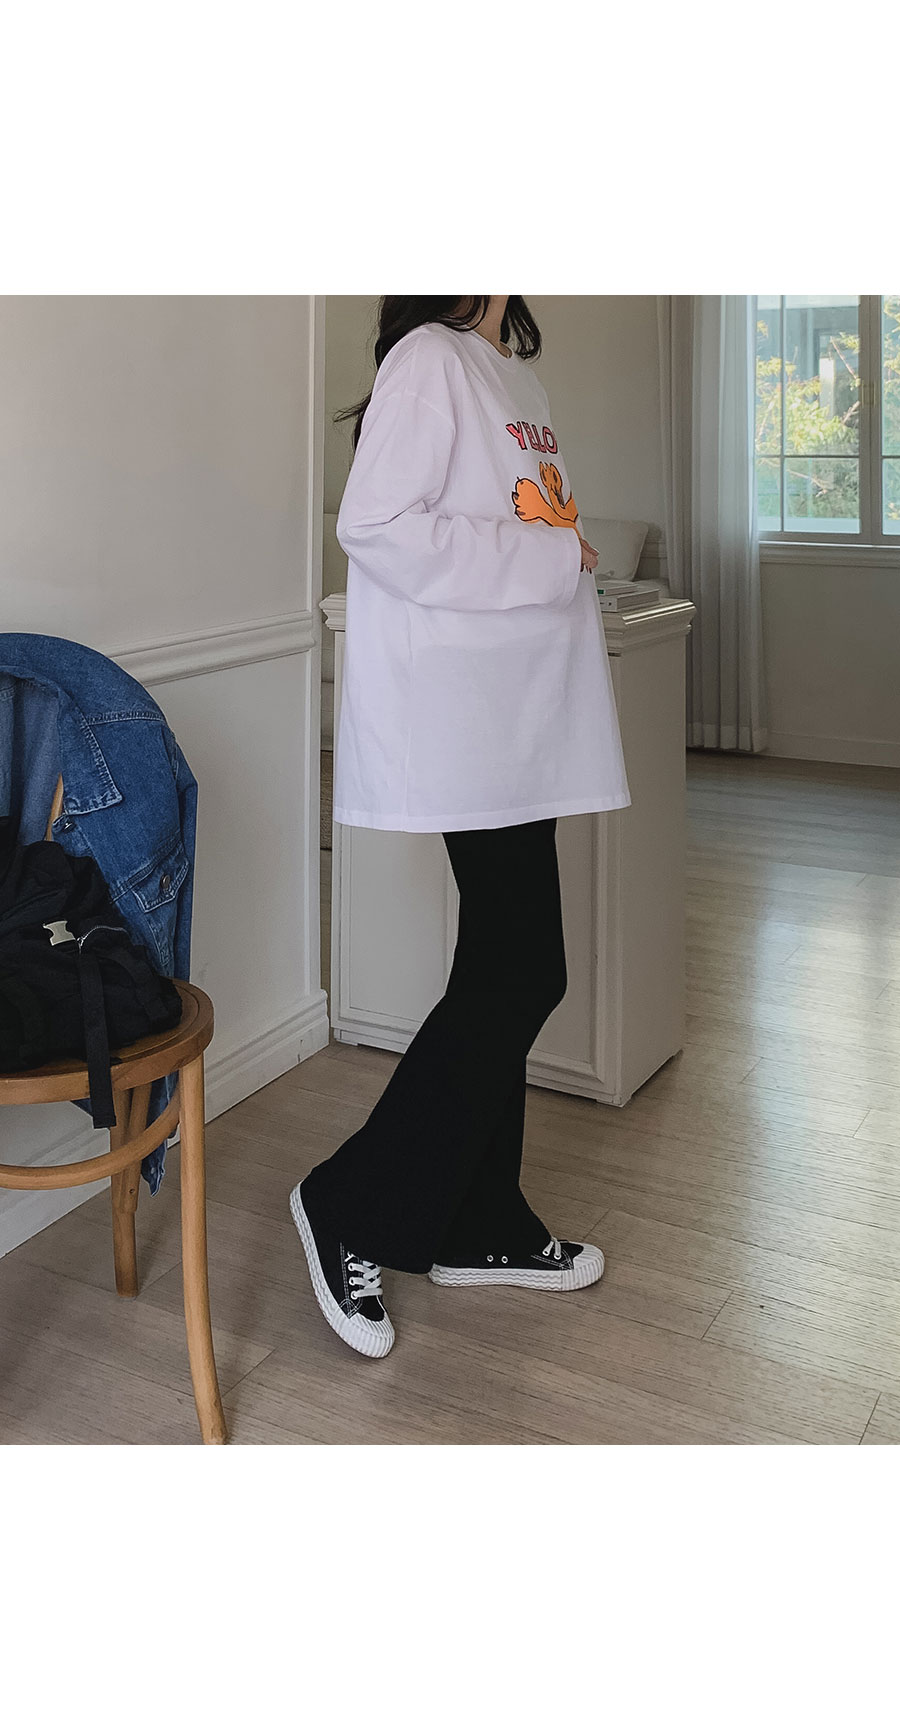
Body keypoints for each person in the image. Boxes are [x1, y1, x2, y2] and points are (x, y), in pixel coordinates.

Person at [291, 296, 631, 1358]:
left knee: (504, 963)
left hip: (521, 718)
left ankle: (481, 1220)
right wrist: (552, 558)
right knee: (523, 972)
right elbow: (377, 524)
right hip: (467, 720)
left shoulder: (511, 372)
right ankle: (349, 1199)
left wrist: (558, 556)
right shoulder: (428, 359)